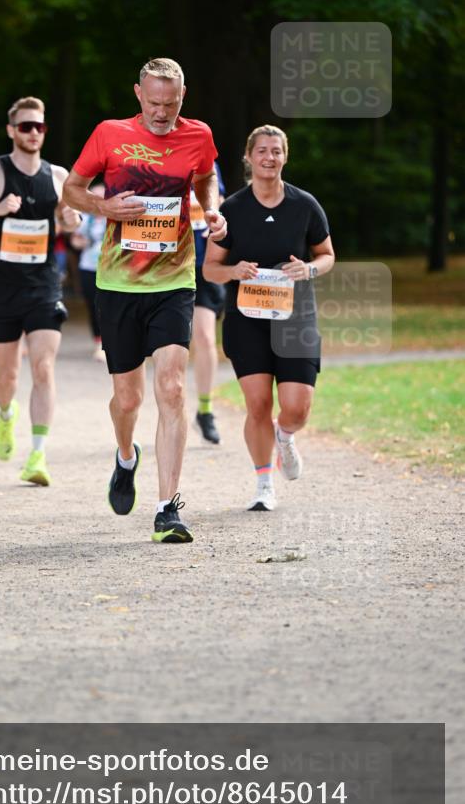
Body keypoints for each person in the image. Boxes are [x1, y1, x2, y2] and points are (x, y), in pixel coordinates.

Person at [63, 57, 227, 543]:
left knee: (172, 388)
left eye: (171, 104)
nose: (161, 113)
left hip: (174, 280)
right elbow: (72, 188)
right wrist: (101, 204)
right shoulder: (109, 134)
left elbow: (205, 178)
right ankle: (125, 455)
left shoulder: (198, 136)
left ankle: (167, 509)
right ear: (138, 93)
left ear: (183, 97)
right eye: (154, 103)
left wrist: (212, 211)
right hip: (117, 285)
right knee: (127, 398)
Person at [203, 125, 335, 511]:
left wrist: (307, 270)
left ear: (285, 156)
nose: (269, 157)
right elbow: (211, 269)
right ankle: (264, 485)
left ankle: (286, 436)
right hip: (248, 318)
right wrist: (234, 271)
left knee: (296, 407)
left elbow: (327, 255)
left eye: (276, 151)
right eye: (261, 150)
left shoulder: (304, 205)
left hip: (296, 318)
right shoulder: (231, 210)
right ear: (248, 157)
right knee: (258, 404)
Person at [0, 96, 81, 485]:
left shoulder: (58, 175)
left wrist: (70, 218)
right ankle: (6, 415)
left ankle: (38, 455)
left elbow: (71, 222)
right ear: (11, 131)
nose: (33, 133)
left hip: (43, 285)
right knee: (7, 375)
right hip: (1, 288)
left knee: (42, 366)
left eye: (39, 126)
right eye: (25, 126)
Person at [190, 161, 227, 444]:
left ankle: (205, 410)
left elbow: (219, 198)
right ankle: (170, 408)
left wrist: (215, 218)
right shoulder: (145, 152)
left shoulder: (203, 158)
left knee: (203, 336)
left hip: (202, 264)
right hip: (162, 262)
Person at [70, 183, 107, 361]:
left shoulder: (115, 218)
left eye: (103, 196)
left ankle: (111, 342)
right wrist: (80, 243)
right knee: (93, 306)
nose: (99, 200)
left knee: (109, 306)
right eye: (95, 196)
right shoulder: (86, 218)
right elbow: (75, 240)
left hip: (110, 270)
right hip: (88, 268)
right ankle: (99, 343)